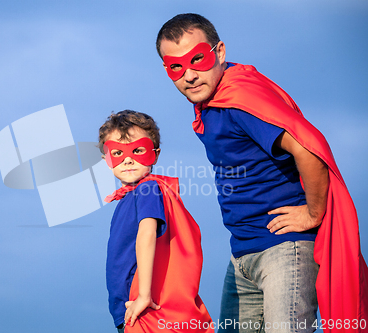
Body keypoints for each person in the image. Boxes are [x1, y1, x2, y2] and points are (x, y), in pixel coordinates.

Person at [156, 13, 368, 333]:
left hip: (285, 250)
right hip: (242, 255)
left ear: (219, 52)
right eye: (176, 67)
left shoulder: (240, 99)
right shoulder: (213, 100)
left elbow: (308, 148)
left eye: (197, 59)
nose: (189, 74)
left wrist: (313, 213)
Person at [99, 110, 213, 333]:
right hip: (129, 309)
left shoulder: (148, 189)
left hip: (142, 308)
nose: (128, 159)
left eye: (138, 150)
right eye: (118, 153)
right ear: (106, 160)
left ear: (155, 154)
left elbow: (148, 233)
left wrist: (143, 295)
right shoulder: (130, 195)